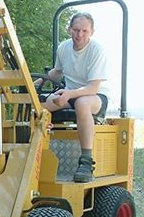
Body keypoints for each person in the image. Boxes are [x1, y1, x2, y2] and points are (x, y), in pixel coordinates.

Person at [37, 12, 108, 182]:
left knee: (82, 104)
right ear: (69, 30)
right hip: (69, 93)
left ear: (92, 32)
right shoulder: (64, 47)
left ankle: (86, 162)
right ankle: (35, 155)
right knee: (37, 106)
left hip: (95, 96)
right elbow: (57, 72)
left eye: (84, 31)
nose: (80, 35)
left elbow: (93, 87)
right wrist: (36, 83)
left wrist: (69, 94)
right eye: (76, 30)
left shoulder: (96, 50)